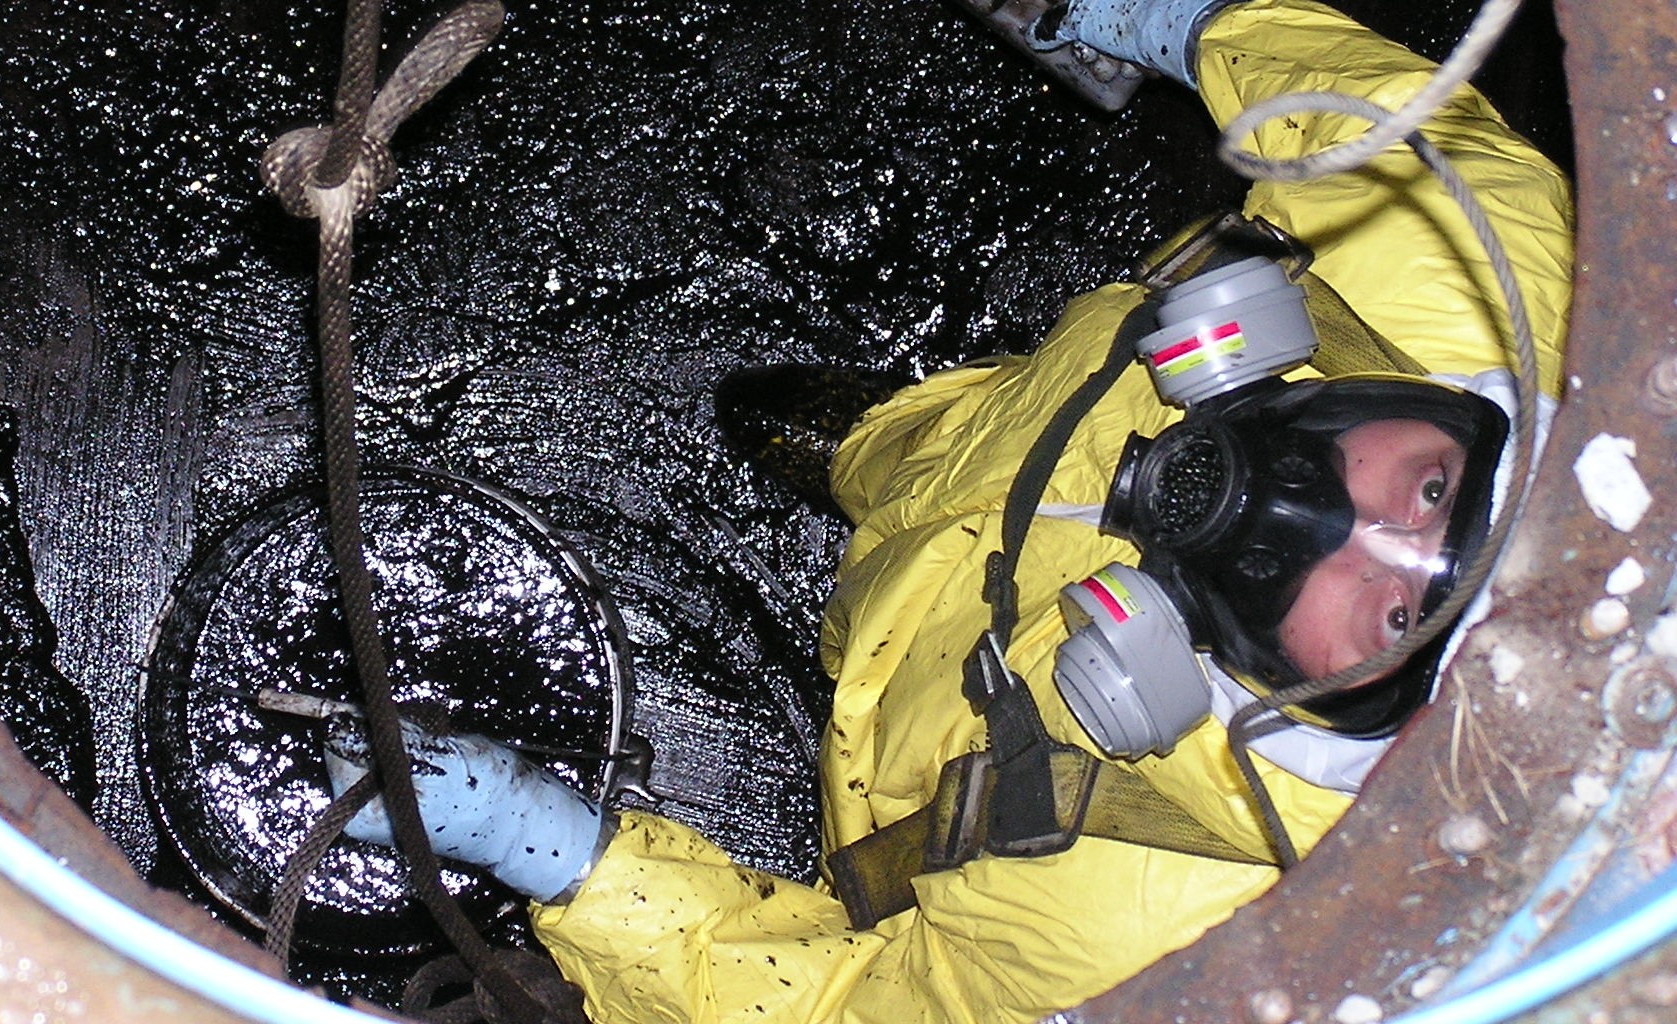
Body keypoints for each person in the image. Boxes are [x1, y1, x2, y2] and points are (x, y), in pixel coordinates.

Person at [320, 1, 1574, 1021]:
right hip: (1012, 431)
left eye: (1398, 611)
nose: (1306, 506)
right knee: (921, 448)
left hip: (909, 702)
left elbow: (828, 1006)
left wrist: (556, 854)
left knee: (887, 584)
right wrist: (1171, 22)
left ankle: (875, 516)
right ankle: (873, 445)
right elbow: (1333, 94)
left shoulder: (1149, 950)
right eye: (1429, 490)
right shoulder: (1485, 269)